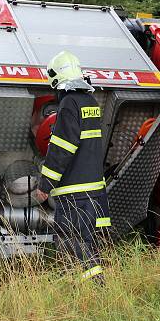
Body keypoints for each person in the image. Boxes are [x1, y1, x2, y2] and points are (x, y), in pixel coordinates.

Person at [36, 51, 109, 283]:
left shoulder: (69, 103)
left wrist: (45, 184)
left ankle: (96, 286)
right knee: (85, 238)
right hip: (93, 189)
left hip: (74, 191)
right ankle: (80, 285)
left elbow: (61, 148)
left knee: (72, 238)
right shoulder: (90, 101)